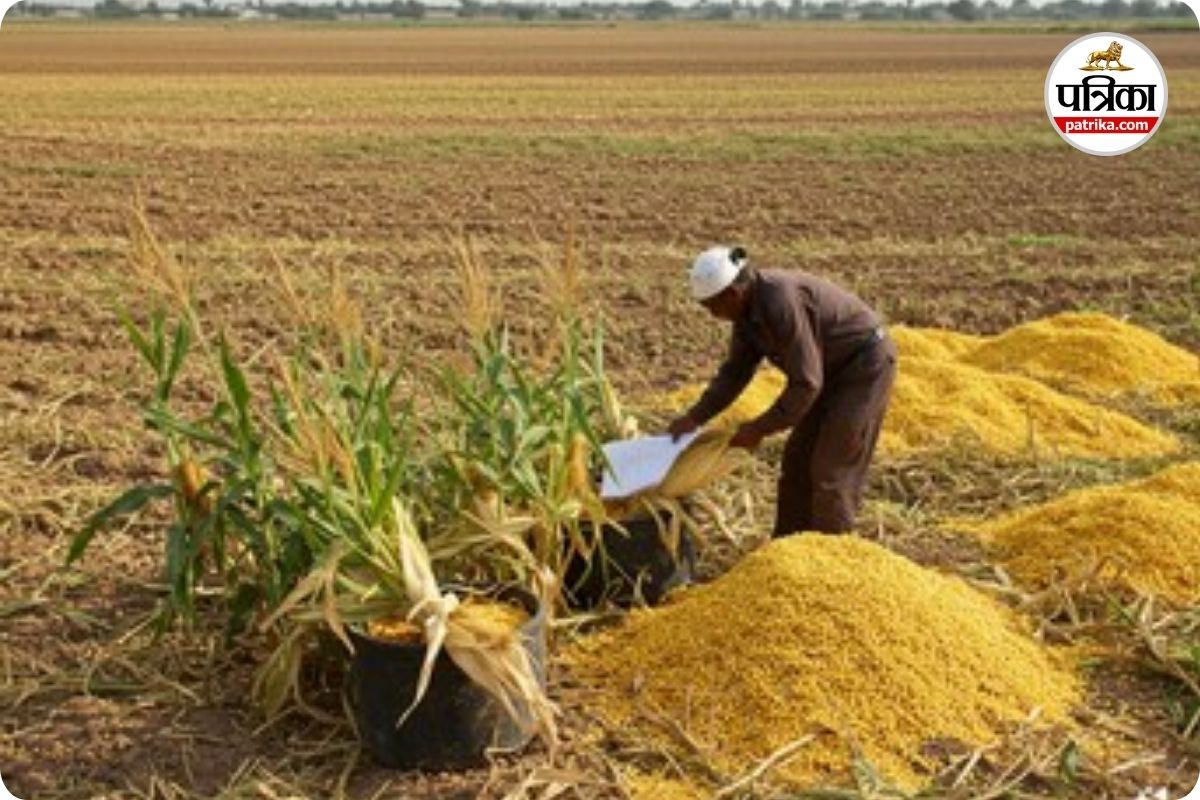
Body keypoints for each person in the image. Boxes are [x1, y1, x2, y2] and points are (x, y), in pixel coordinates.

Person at [667, 246, 896, 538]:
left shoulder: (779, 303)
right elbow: (736, 372)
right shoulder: (746, 314)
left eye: (712, 307)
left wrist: (758, 428)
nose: (713, 315)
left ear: (732, 294)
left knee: (830, 469)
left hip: (862, 367)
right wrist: (695, 417)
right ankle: (786, 548)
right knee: (797, 464)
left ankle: (830, 555)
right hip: (826, 370)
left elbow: (806, 383)